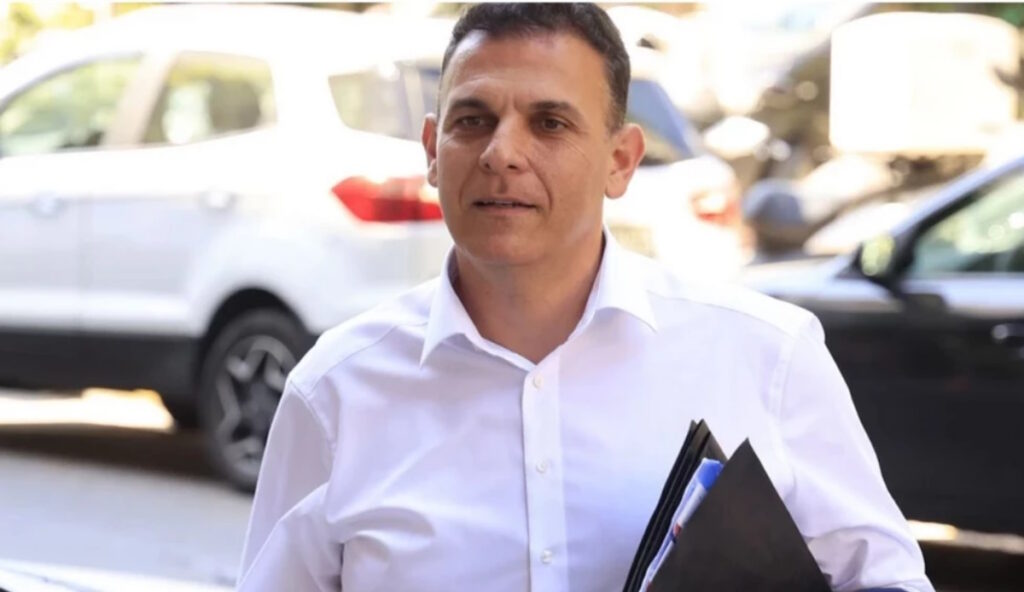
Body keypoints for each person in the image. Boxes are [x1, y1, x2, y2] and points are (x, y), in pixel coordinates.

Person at [237, 4, 934, 591]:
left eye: (550, 123)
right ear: (431, 149)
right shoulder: (335, 392)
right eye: (472, 120)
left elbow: (885, 580)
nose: (501, 153)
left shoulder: (766, 358)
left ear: (620, 160)